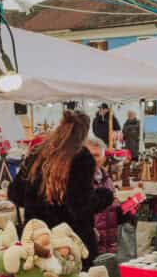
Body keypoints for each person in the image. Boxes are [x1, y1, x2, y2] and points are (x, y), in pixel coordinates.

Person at [8, 111, 113, 266]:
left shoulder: (38, 152)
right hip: (69, 242)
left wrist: (38, 201)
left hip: (38, 237)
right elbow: (80, 205)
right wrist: (105, 196)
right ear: (84, 133)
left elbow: (15, 193)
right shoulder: (81, 157)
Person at [86, 136, 124, 256]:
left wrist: (125, 209)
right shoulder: (80, 180)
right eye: (90, 155)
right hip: (91, 243)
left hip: (110, 243)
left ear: (103, 158)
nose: (93, 159)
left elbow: (112, 206)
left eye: (97, 155)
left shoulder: (106, 178)